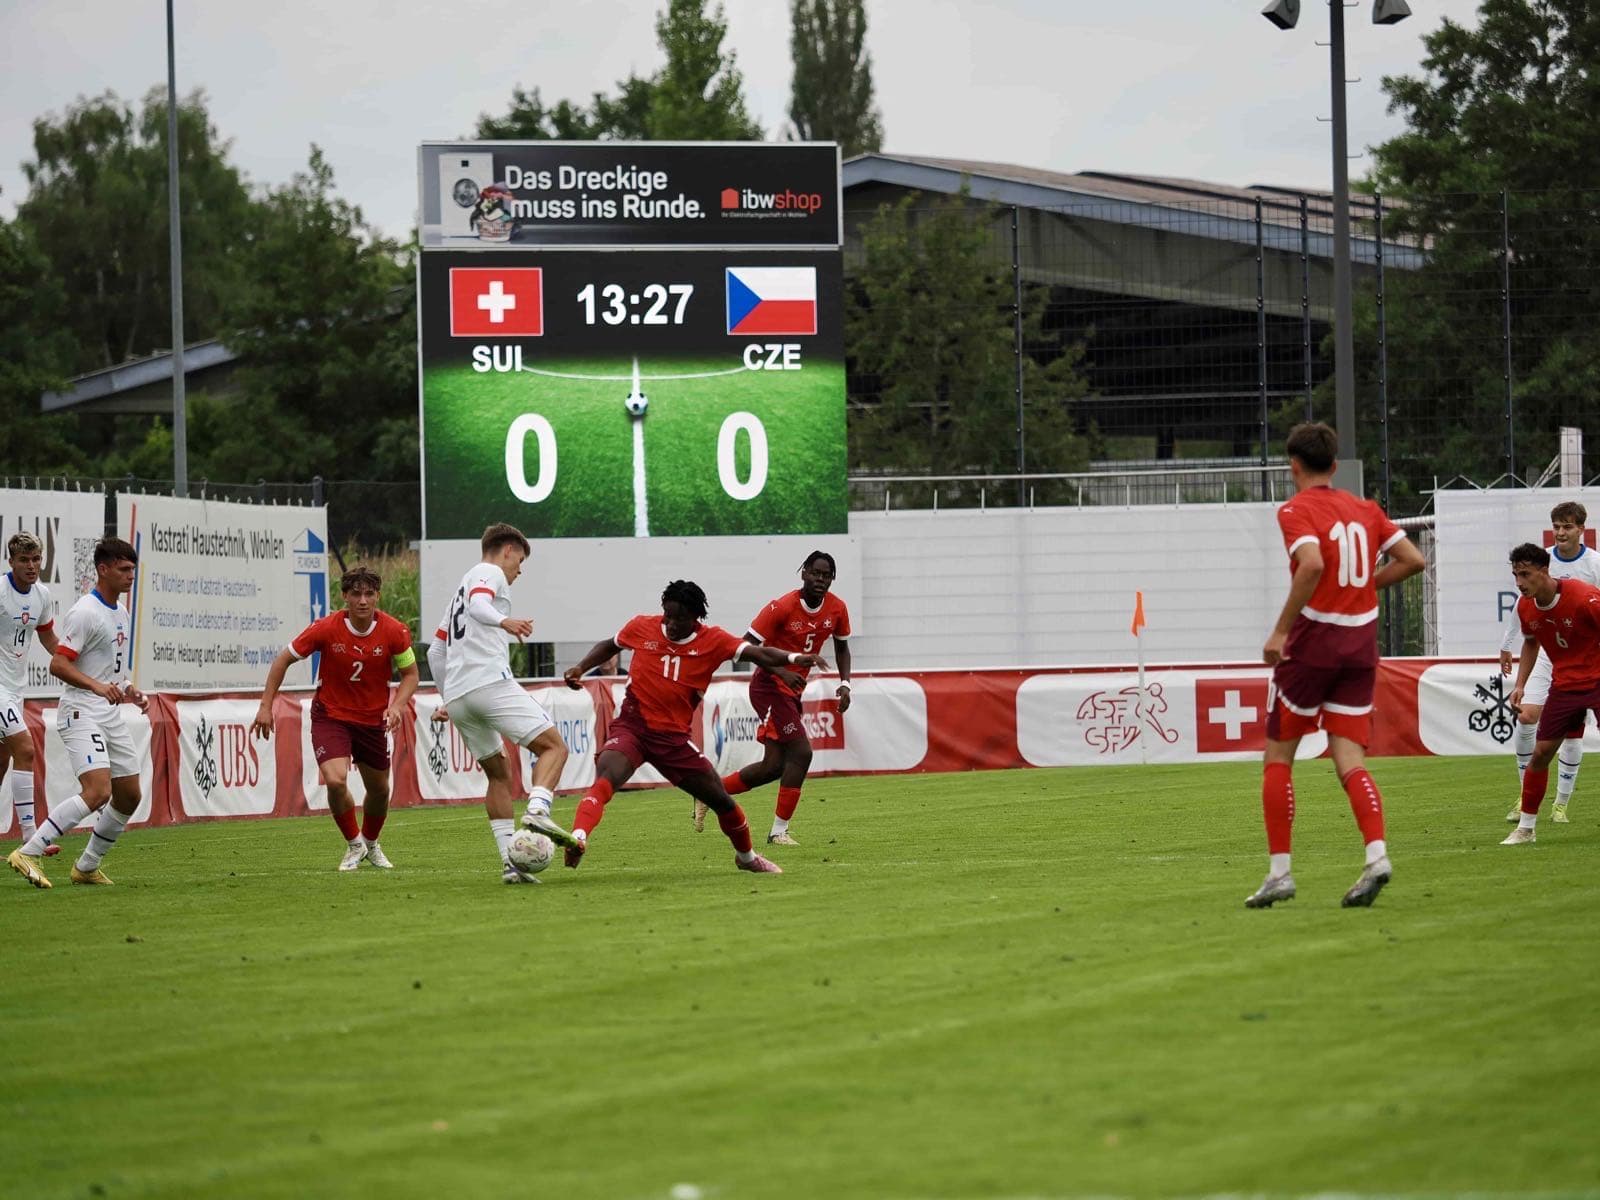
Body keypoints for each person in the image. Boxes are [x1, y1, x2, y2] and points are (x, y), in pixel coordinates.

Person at [1245, 422, 1425, 910]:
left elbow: (1312, 564)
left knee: (1278, 757)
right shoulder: (1365, 509)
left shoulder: (1295, 509)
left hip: (1312, 647)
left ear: (1294, 465)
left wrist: (1280, 631)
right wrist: (1366, 586)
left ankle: (1280, 873)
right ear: (1335, 465)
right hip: (1360, 647)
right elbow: (1413, 559)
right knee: (1350, 760)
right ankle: (1376, 856)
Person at [562, 580, 825, 874]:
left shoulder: (714, 640)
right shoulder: (640, 626)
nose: (671, 624)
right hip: (632, 729)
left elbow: (759, 654)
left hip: (674, 741)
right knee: (606, 776)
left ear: (696, 617)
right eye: (667, 616)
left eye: (680, 619)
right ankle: (578, 838)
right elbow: (610, 645)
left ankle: (747, 857)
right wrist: (580, 667)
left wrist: (794, 658)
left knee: (722, 802)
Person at [425, 523, 579, 884]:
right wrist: (505, 621)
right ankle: (539, 809)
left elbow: (436, 651)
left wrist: (450, 697)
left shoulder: (456, 595)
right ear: (507, 550)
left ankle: (511, 863)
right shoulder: (488, 572)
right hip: (489, 682)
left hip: (462, 696)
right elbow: (481, 606)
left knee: (499, 773)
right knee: (554, 747)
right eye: (520, 560)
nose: (519, 570)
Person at [252, 566, 419, 871]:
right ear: (345, 597)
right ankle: (354, 844)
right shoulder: (325, 628)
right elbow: (283, 659)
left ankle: (371, 843)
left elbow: (410, 674)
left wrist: (397, 706)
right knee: (335, 780)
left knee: (380, 790)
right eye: (356, 594)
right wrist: (266, 706)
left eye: (369, 594)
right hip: (332, 716)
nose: (363, 601)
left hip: (372, 721)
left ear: (378, 596)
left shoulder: (395, 631)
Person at [7, 537, 149, 889]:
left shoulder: (122, 611)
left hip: (108, 712)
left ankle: (87, 866)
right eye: (124, 569)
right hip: (80, 711)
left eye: (133, 569)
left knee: (130, 794)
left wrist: (128, 688)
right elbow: (59, 664)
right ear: (103, 569)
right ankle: (29, 850)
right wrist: (97, 688)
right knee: (98, 790)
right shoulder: (85, 611)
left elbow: (109, 670)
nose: (131, 575)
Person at [711, 550, 853, 846]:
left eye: (827, 575)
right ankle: (778, 832)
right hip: (768, 686)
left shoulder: (837, 609)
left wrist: (845, 684)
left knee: (773, 766)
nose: (820, 579)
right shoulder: (781, 607)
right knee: (802, 753)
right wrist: (782, 672)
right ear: (803, 573)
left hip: (791, 690)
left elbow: (842, 648)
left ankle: (709, 793)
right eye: (815, 573)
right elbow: (744, 647)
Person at [1499, 501, 1600, 824]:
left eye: (1567, 526)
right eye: (1556, 526)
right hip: (1549, 651)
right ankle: (1524, 796)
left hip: (1587, 653)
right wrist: (1507, 647)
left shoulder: (1594, 565)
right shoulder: (1537, 561)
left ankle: (1561, 803)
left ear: (1581, 529)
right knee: (1526, 717)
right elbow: (1524, 612)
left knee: (1573, 732)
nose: (1560, 532)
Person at [1, 533, 60, 855]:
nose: (32, 566)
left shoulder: (42, 595)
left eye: (36, 559)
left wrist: (73, 662)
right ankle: (29, 837)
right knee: (25, 747)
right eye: (24, 560)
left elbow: (49, 638)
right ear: (11, 562)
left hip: (14, 689)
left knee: (1, 762)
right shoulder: (0, 591)